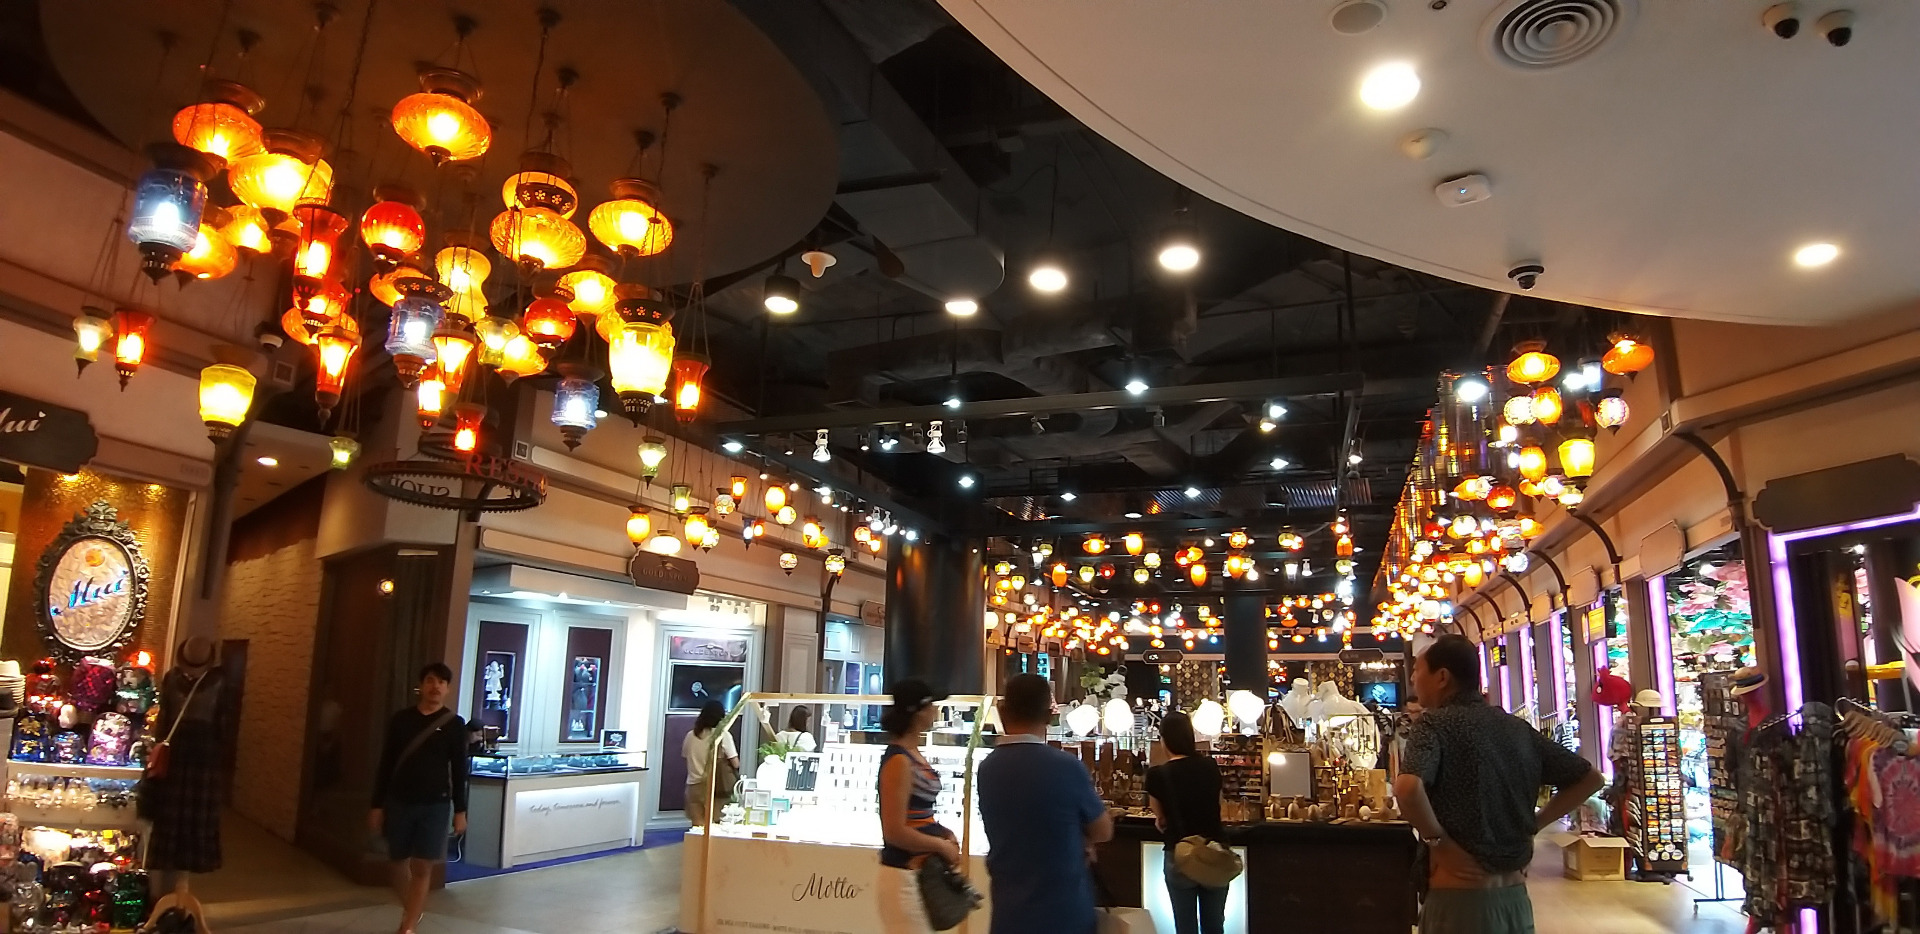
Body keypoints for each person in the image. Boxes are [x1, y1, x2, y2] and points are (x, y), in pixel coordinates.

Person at [1394, 635, 1604, 934]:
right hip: (1515, 899)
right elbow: (1590, 778)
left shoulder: (1433, 725)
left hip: (1459, 902)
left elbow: (1407, 788)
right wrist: (1534, 824)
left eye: (1417, 670)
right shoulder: (1516, 728)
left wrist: (1437, 840)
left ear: (1442, 677)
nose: (1413, 679)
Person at [979, 674, 1115, 934]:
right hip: (1064, 911)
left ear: (1003, 711)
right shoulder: (1066, 766)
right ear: (1049, 716)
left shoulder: (988, 768)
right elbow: (1103, 830)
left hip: (1009, 912)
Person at [369, 663, 470, 934]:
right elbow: (386, 763)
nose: (435, 687)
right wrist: (377, 804)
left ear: (447, 689)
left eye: (441, 683)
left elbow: (459, 770)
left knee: (422, 864)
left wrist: (460, 810)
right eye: (430, 681)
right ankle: (413, 908)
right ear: (421, 686)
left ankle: (408, 926)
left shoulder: (454, 724)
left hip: (435, 804)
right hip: (399, 801)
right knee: (397, 862)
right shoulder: (401, 720)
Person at [876, 679, 961, 934]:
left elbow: (919, 815)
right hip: (904, 876)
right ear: (918, 712)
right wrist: (940, 846)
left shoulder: (911, 755)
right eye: (931, 705)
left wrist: (943, 833)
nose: (935, 710)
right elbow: (894, 831)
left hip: (918, 876)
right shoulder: (899, 761)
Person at [1146, 711, 1226, 934]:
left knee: (1185, 926)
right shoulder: (1210, 766)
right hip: (1214, 851)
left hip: (1180, 854)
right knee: (1214, 925)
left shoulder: (1157, 775)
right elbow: (1218, 803)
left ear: (1164, 740)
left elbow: (1161, 819)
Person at [683, 700, 739, 827]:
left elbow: (685, 756)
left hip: (693, 787)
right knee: (714, 827)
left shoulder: (691, 735)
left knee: (697, 827)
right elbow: (735, 763)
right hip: (715, 787)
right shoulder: (723, 735)